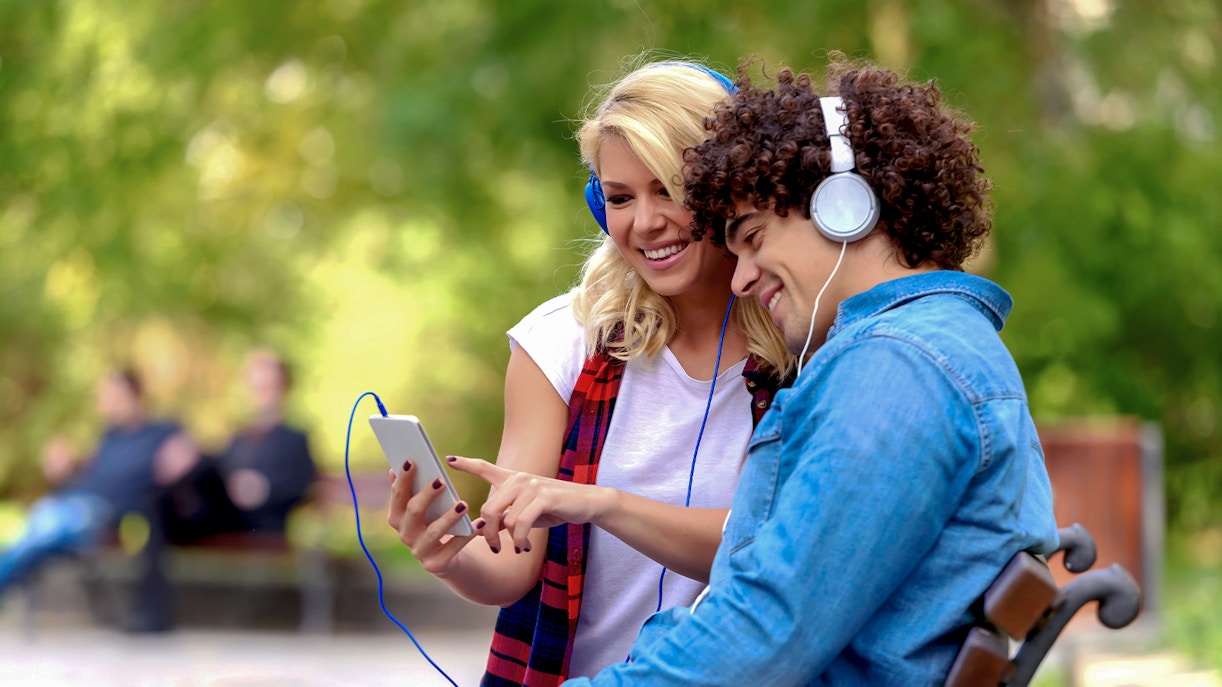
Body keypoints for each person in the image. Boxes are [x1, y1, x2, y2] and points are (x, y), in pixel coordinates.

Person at [563, 56, 1060, 686]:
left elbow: (762, 638)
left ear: (840, 204)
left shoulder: (897, 371)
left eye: (752, 236)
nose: (740, 279)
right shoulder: (912, 354)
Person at [384, 60, 792, 685]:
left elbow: (782, 553)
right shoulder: (560, 341)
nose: (645, 222)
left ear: (730, 187)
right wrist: (449, 555)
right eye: (621, 197)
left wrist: (601, 504)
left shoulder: (803, 343)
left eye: (670, 189)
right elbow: (510, 564)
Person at [0, 368, 197, 632]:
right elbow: (88, 471)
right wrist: (66, 465)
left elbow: (192, 462)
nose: (108, 405)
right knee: (32, 539)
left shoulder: (163, 433)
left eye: (114, 397)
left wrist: (185, 457)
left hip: (103, 515)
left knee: (35, 539)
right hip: (73, 508)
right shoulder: (108, 438)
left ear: (135, 395)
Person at [160, 348, 317, 542]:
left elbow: (303, 487)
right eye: (255, 386)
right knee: (174, 484)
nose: (260, 393)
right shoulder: (237, 439)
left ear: (283, 387)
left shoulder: (294, 440)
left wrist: (263, 490)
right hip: (222, 517)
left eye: (267, 386)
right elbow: (216, 474)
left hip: (261, 524)